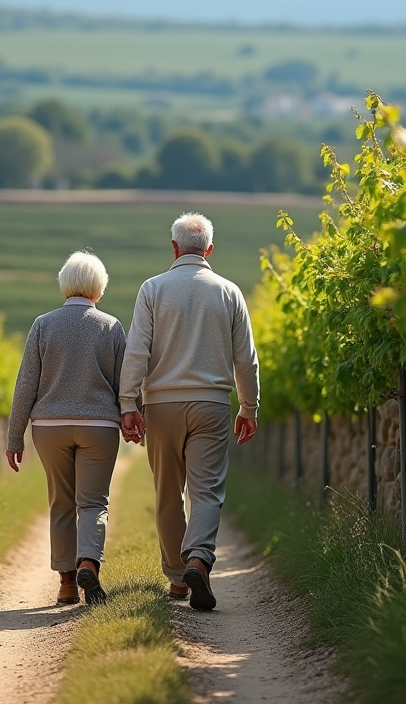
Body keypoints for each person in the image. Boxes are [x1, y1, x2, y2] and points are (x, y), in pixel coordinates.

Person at [118, 212, 259, 611]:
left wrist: (129, 403)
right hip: (212, 405)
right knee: (207, 491)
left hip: (161, 405)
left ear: (175, 248)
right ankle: (199, 557)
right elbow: (245, 359)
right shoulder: (229, 292)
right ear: (210, 250)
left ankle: (179, 580)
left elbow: (137, 351)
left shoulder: (152, 289)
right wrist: (248, 407)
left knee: (167, 495)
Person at [6, 251, 126, 606]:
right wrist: (136, 416)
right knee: (93, 502)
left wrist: (15, 436)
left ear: (64, 283)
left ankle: (67, 585)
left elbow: (25, 384)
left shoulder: (43, 325)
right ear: (98, 288)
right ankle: (89, 560)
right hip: (99, 426)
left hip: (50, 427)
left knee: (61, 502)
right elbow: (126, 385)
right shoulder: (112, 326)